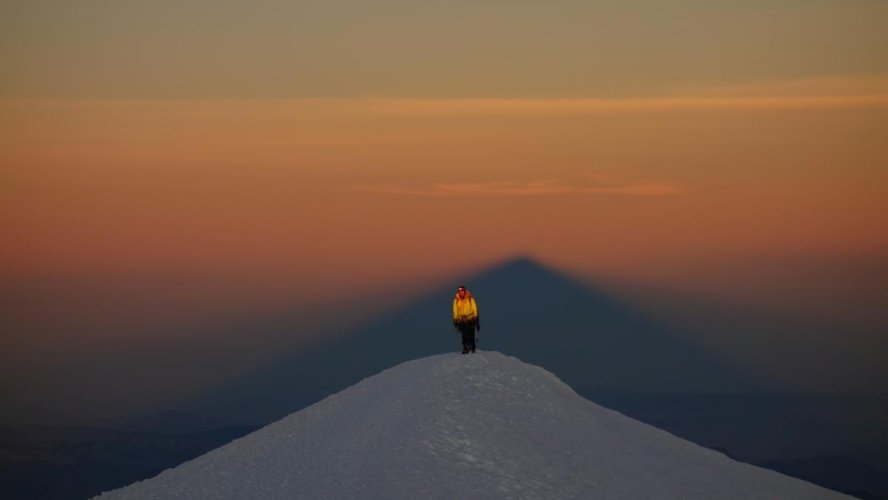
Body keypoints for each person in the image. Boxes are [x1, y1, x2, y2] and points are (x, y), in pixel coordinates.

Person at [452, 285, 480, 354]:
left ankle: (472, 347)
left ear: (465, 291)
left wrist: (476, 316)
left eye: (462, 291)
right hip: (461, 320)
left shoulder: (470, 298)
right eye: (460, 292)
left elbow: (474, 308)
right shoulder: (456, 300)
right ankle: (465, 347)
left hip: (470, 318)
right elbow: (455, 310)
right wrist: (455, 319)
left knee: (471, 333)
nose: (461, 293)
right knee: (464, 334)